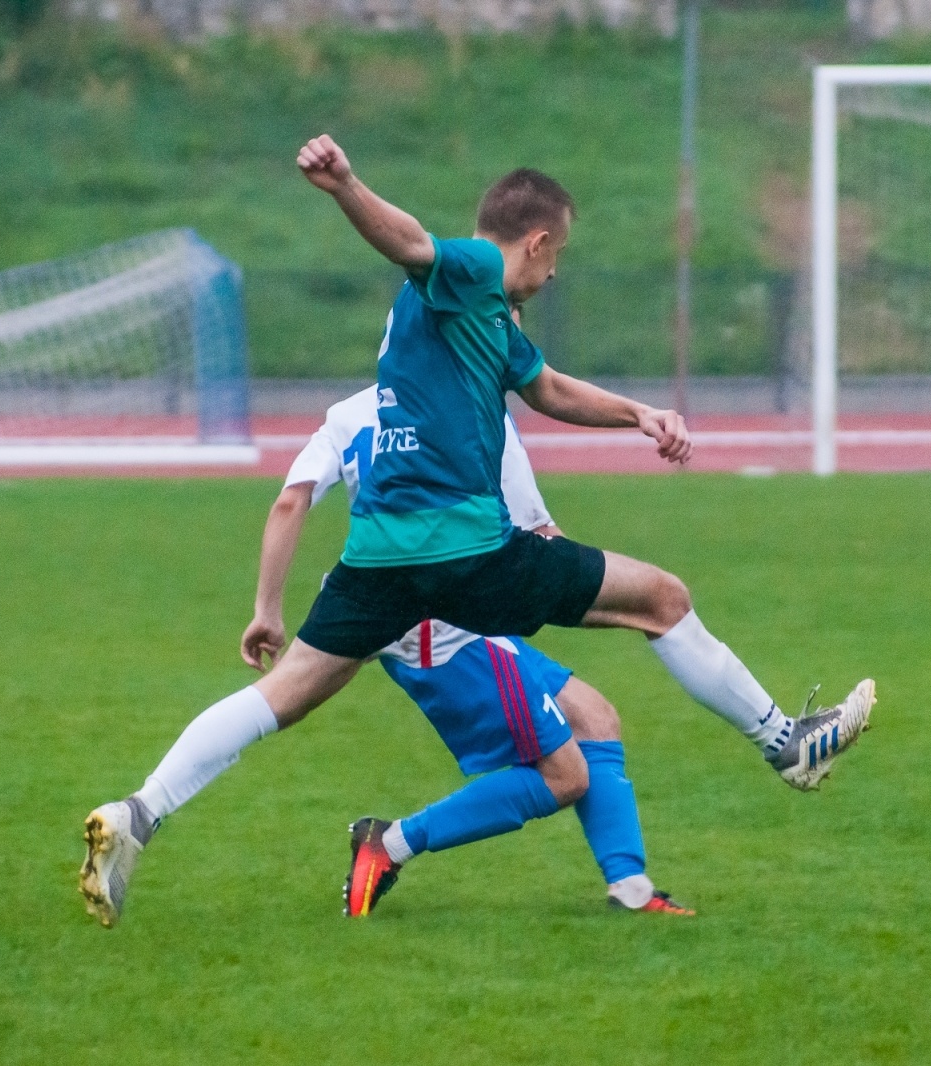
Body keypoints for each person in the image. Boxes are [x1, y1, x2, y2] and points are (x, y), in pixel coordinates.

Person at [78, 137, 875, 928]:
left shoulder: (489, 321)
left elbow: (549, 387)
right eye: (556, 254)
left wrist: (639, 413)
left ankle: (138, 814)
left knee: (279, 695)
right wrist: (346, 185)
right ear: (533, 241)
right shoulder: (471, 271)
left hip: (377, 556)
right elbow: (409, 242)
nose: (555, 270)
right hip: (468, 551)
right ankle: (785, 743)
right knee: (661, 598)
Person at [272, 385, 693, 916]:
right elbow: (531, 526)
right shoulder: (454, 401)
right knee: (565, 775)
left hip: (465, 605)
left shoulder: (387, 407)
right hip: (444, 628)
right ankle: (390, 843)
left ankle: (631, 889)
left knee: (594, 716)